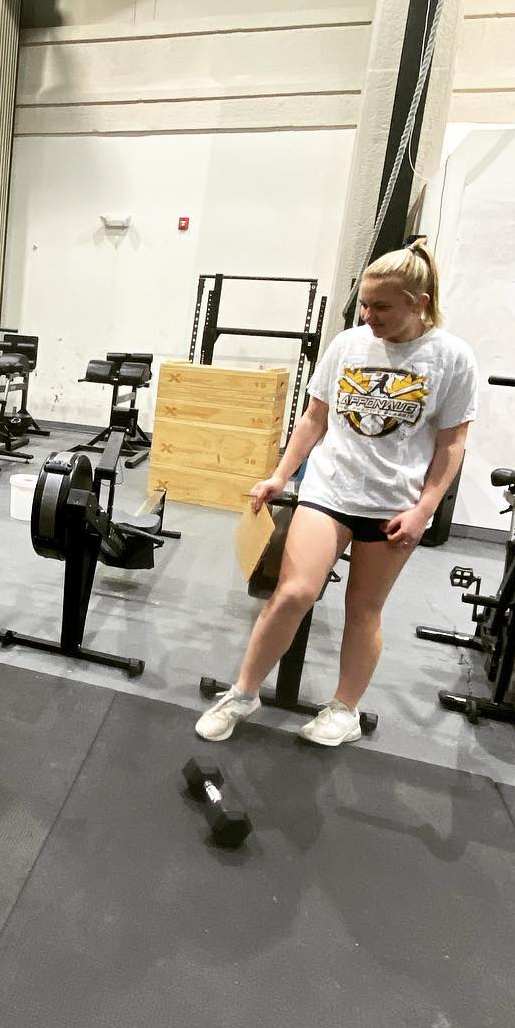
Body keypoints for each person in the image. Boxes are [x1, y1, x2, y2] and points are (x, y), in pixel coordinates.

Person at [197, 238, 477, 747]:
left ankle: (344, 710)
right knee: (294, 592)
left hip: (394, 504)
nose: (369, 316)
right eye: (365, 305)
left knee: (363, 610)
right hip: (330, 490)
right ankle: (243, 693)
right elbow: (314, 418)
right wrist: (280, 476)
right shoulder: (348, 345)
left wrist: (424, 511)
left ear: (418, 303)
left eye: (381, 307)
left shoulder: (452, 358)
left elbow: (452, 443)